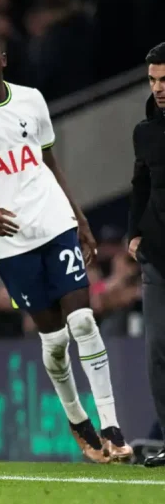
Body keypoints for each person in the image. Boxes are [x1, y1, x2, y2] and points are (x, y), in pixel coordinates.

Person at [0, 30, 132, 463]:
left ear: (3, 60)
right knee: (55, 339)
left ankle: (113, 426)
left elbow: (48, 160)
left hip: (54, 222)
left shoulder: (31, 100)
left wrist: (79, 218)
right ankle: (77, 417)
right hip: (9, 242)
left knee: (83, 322)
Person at [128, 42, 165, 468]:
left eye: (163, 79)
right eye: (152, 80)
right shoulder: (145, 131)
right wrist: (132, 232)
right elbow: (140, 184)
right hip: (157, 256)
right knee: (159, 353)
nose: (157, 88)